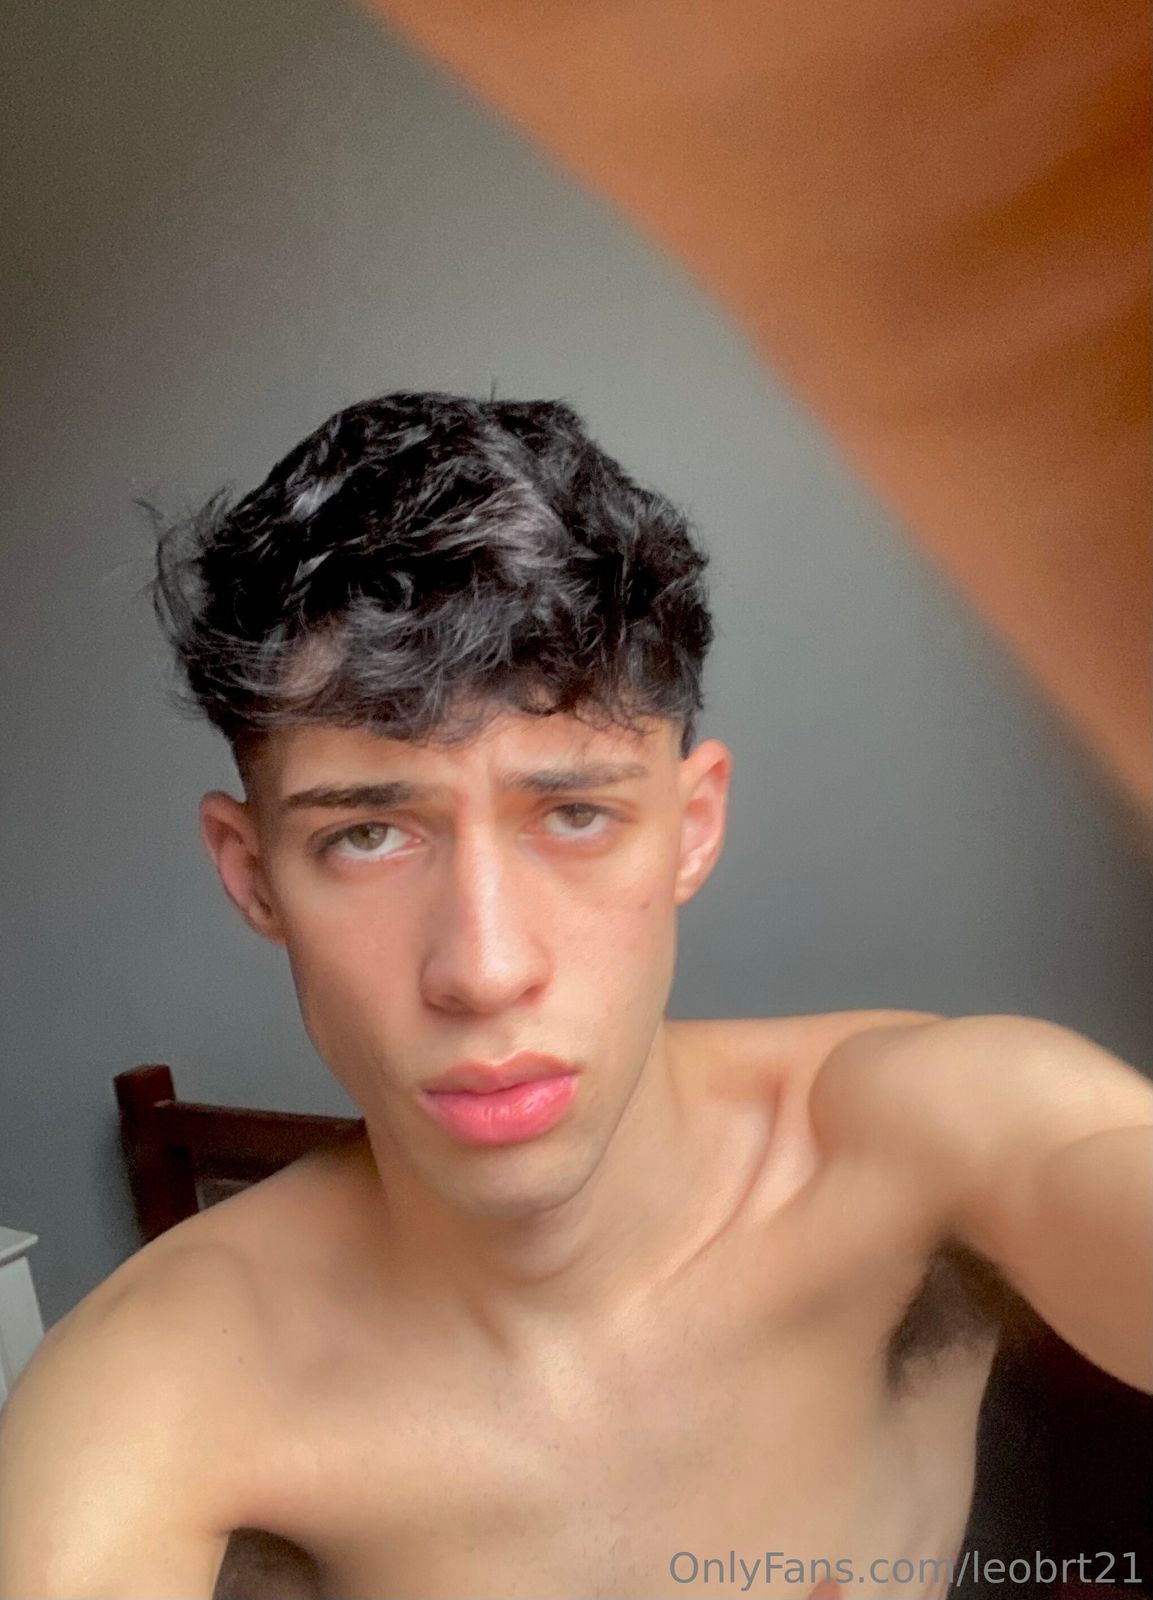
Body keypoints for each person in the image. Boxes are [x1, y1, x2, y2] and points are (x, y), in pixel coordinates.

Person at [0, 391, 1149, 1600]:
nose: (485, 968)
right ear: (253, 875)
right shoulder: (150, 1394)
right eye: (368, 835)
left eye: (575, 814)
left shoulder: (923, 1138)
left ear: (690, 827)